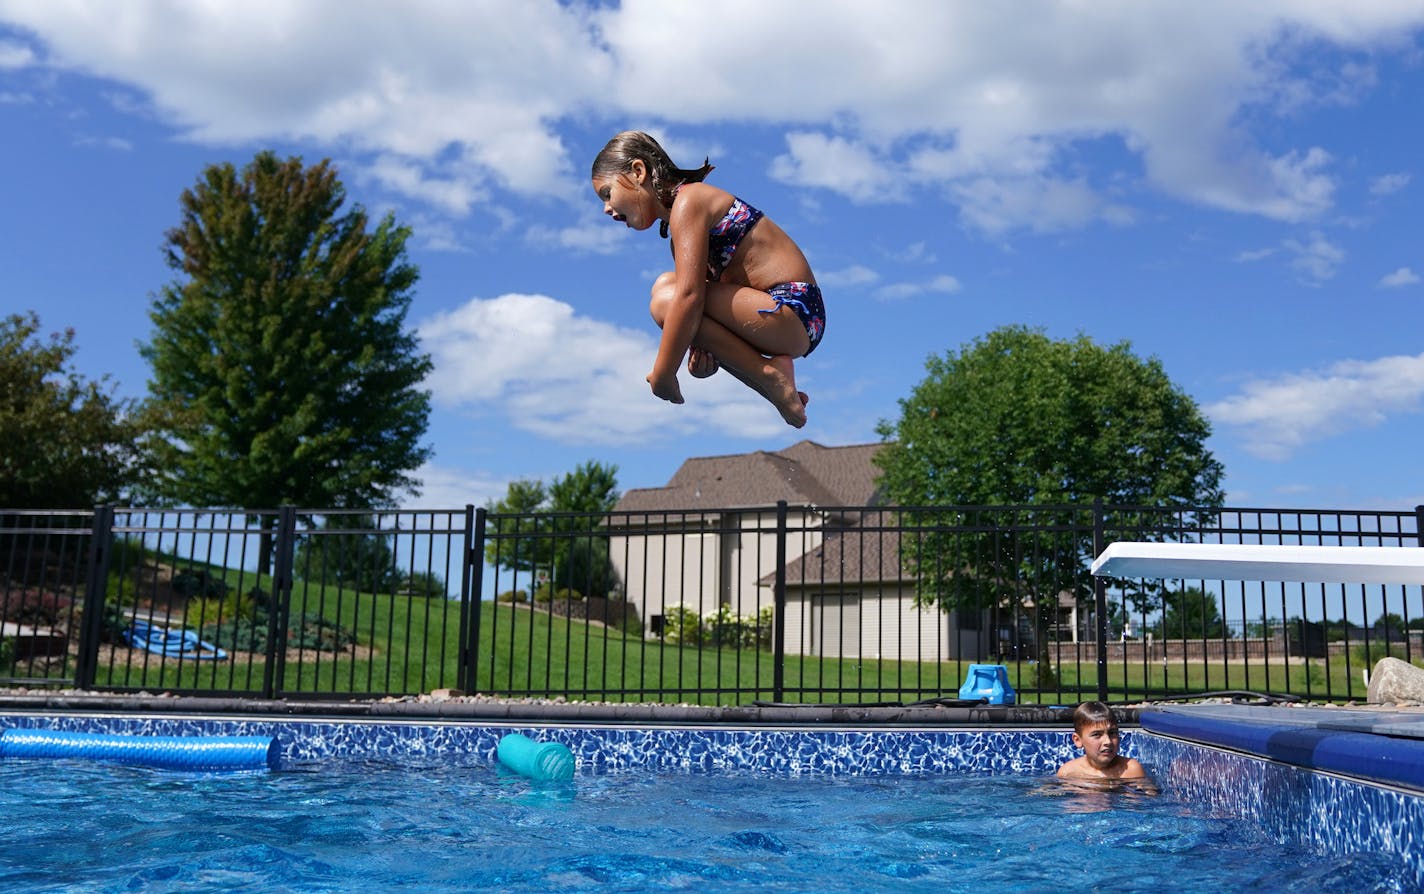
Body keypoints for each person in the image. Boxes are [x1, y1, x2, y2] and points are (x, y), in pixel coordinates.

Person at [591, 131, 825, 428]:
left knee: (668, 296)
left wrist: (664, 373)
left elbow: (689, 298)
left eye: (607, 194)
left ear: (638, 171)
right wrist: (700, 359)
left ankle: (771, 379)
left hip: (794, 309)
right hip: (777, 320)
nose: (606, 209)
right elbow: (697, 318)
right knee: (668, 294)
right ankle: (774, 383)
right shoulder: (679, 236)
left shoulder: (691, 201)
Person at [1056, 700, 1151, 783]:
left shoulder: (1130, 770)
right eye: (1097, 734)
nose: (1108, 741)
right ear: (1078, 740)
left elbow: (1146, 798)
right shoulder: (1068, 772)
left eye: (1112, 733)